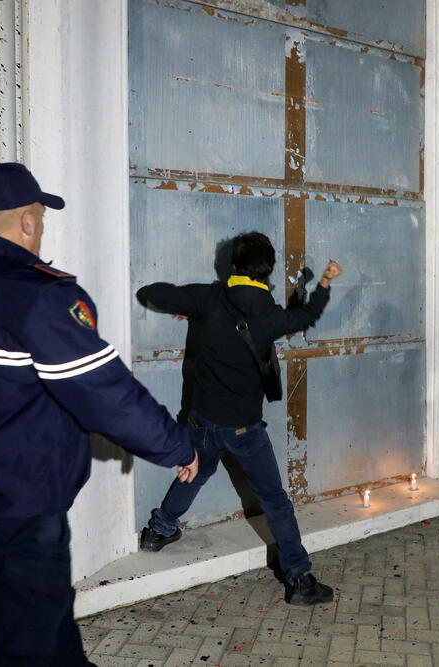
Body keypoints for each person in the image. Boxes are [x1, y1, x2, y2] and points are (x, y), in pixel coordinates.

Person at [0, 162, 198, 666]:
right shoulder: (37, 294)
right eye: (40, 217)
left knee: (44, 621)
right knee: (16, 646)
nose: (39, 229)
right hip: (17, 508)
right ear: (27, 221)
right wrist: (176, 446)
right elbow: (106, 393)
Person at [136, 232, 340, 606]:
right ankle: (299, 580)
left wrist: (189, 306)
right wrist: (324, 284)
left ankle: (158, 531)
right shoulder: (271, 316)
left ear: (234, 266)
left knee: (195, 472)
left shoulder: (208, 297)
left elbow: (150, 293)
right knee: (274, 500)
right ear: (269, 269)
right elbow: (307, 315)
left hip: (202, 420)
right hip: (244, 428)